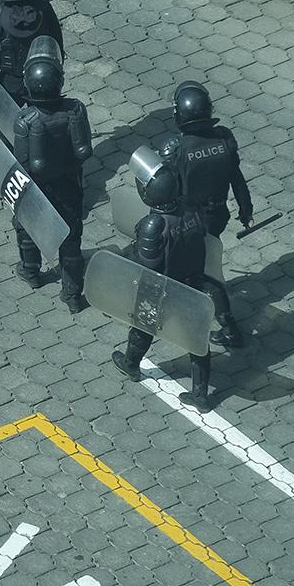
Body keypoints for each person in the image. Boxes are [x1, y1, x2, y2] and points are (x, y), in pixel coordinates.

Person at [110, 164, 216, 410]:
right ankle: (200, 394)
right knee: (197, 339)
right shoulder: (191, 208)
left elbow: (146, 264)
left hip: (160, 289)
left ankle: (131, 365)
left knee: (142, 327)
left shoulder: (154, 224)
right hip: (192, 284)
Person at [156, 81, 250, 346]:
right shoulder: (224, 139)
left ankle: (229, 327)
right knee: (202, 263)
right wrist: (246, 208)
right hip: (218, 214)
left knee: (203, 273)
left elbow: (165, 189)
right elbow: (237, 178)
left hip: (188, 220)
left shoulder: (177, 149)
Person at [12, 38, 91, 308]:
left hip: (38, 189)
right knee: (71, 240)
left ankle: (31, 270)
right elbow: (83, 150)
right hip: (70, 184)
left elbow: (22, 161)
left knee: (26, 227)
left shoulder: (25, 120)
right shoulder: (76, 110)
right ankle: (72, 295)